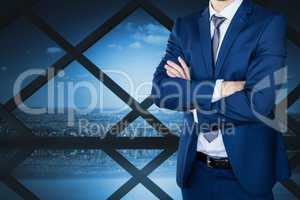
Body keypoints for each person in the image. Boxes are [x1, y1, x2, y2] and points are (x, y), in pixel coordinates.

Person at [151, 0, 290, 199]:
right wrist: (222, 88)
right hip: (194, 174)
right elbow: (160, 91)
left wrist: (193, 97)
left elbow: (258, 103)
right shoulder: (184, 26)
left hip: (248, 175)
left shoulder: (268, 23)